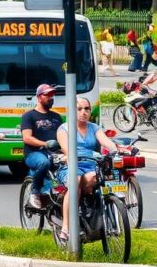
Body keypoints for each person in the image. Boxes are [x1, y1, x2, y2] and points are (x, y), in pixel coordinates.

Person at [55, 97, 130, 242]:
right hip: (72, 165)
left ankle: (100, 216)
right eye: (79, 109)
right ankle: (66, 227)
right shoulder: (63, 129)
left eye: (87, 109)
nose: (84, 112)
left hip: (92, 164)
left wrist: (115, 150)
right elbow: (67, 149)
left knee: (99, 178)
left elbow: (106, 141)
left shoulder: (94, 127)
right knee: (75, 181)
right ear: (72, 111)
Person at [21, 84, 64, 209]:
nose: (51, 98)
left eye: (52, 95)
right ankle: (35, 192)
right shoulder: (28, 116)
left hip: (55, 153)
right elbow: (27, 138)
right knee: (44, 163)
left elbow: (62, 136)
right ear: (39, 97)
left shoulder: (57, 117)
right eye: (47, 95)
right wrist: (45, 144)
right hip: (34, 153)